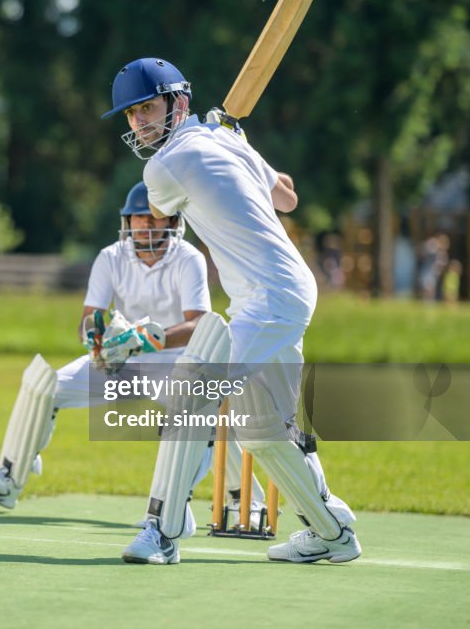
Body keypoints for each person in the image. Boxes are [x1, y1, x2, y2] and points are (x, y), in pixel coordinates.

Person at [103, 57, 359, 565]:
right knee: (262, 431)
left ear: (179, 102)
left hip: (268, 297)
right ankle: (333, 533)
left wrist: (231, 143)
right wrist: (243, 144)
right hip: (282, 291)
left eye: (147, 108)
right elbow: (287, 197)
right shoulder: (227, 141)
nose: (139, 124)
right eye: (131, 115)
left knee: (188, 395)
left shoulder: (164, 166)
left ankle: (163, 532)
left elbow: (162, 212)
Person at [0, 181, 267, 534]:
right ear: (128, 221)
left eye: (156, 218)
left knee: (201, 417)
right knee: (46, 385)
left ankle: (241, 499)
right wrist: (96, 337)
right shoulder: (110, 257)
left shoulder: (189, 259)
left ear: (172, 222)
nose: (147, 225)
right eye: (139, 218)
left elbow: (197, 322)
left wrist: (149, 341)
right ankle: (8, 476)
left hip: (174, 362)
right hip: (122, 362)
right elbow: (90, 316)